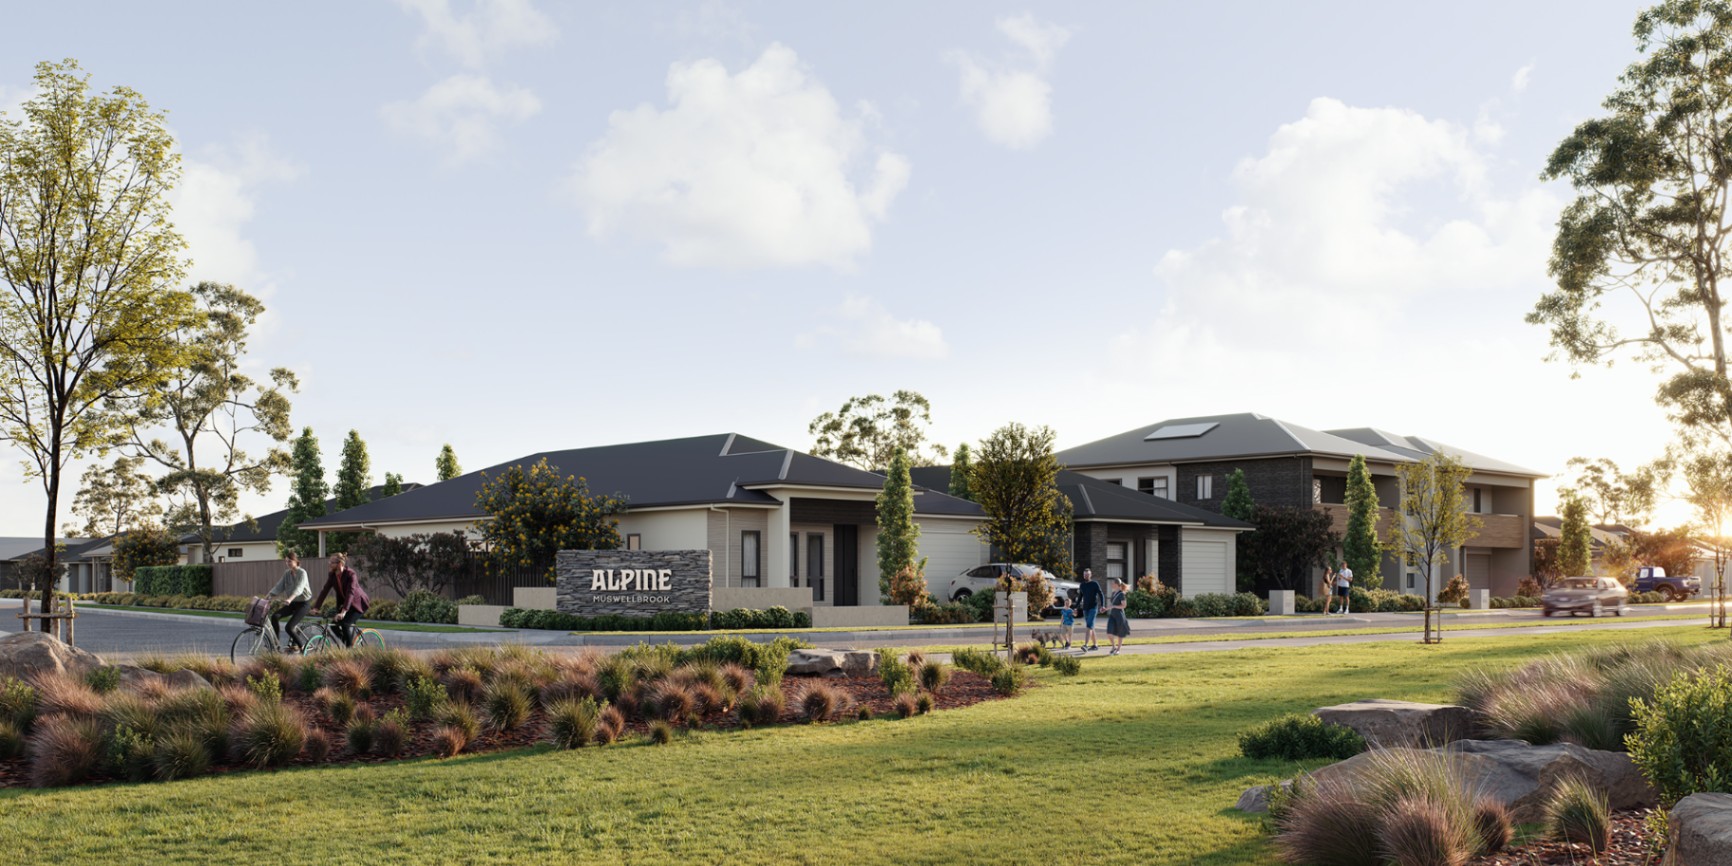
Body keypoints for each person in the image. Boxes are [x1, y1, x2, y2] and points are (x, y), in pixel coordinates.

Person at [314, 552, 370, 647]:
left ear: (339, 564)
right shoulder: (332, 575)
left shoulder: (351, 574)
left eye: (332, 562)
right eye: (329, 561)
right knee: (334, 626)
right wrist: (316, 607)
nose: (329, 564)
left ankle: (350, 650)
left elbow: (350, 593)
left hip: (358, 605)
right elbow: (325, 590)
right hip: (346, 605)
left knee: (345, 624)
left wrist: (343, 612)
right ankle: (348, 644)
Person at [265, 551, 312, 651]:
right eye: (286, 561)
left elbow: (299, 588)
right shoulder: (287, 573)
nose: (288, 563)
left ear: (296, 561)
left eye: (290, 561)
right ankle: (276, 644)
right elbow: (279, 586)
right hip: (292, 603)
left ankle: (302, 647)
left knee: (289, 627)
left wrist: (290, 599)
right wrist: (268, 596)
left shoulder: (302, 573)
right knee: (275, 616)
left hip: (303, 604)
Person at [1076, 568, 1103, 652]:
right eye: (1085, 575)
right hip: (1085, 609)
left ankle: (1086, 645)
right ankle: (1095, 645)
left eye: (1087, 574)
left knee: (1088, 626)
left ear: (1090, 575)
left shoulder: (1095, 584)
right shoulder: (1082, 585)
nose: (1086, 576)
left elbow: (1101, 594)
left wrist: (1102, 605)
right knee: (1091, 627)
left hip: (1093, 608)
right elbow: (1080, 597)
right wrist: (1075, 607)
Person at [1105, 577, 1131, 655]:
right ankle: (1113, 647)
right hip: (1112, 615)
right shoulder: (1113, 593)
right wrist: (1105, 609)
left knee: (1120, 633)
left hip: (1119, 616)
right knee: (1109, 633)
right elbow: (1112, 605)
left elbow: (1124, 605)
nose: (1111, 584)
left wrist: (1114, 606)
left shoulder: (1121, 594)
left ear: (1116, 584)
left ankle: (1118, 650)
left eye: (1113, 583)